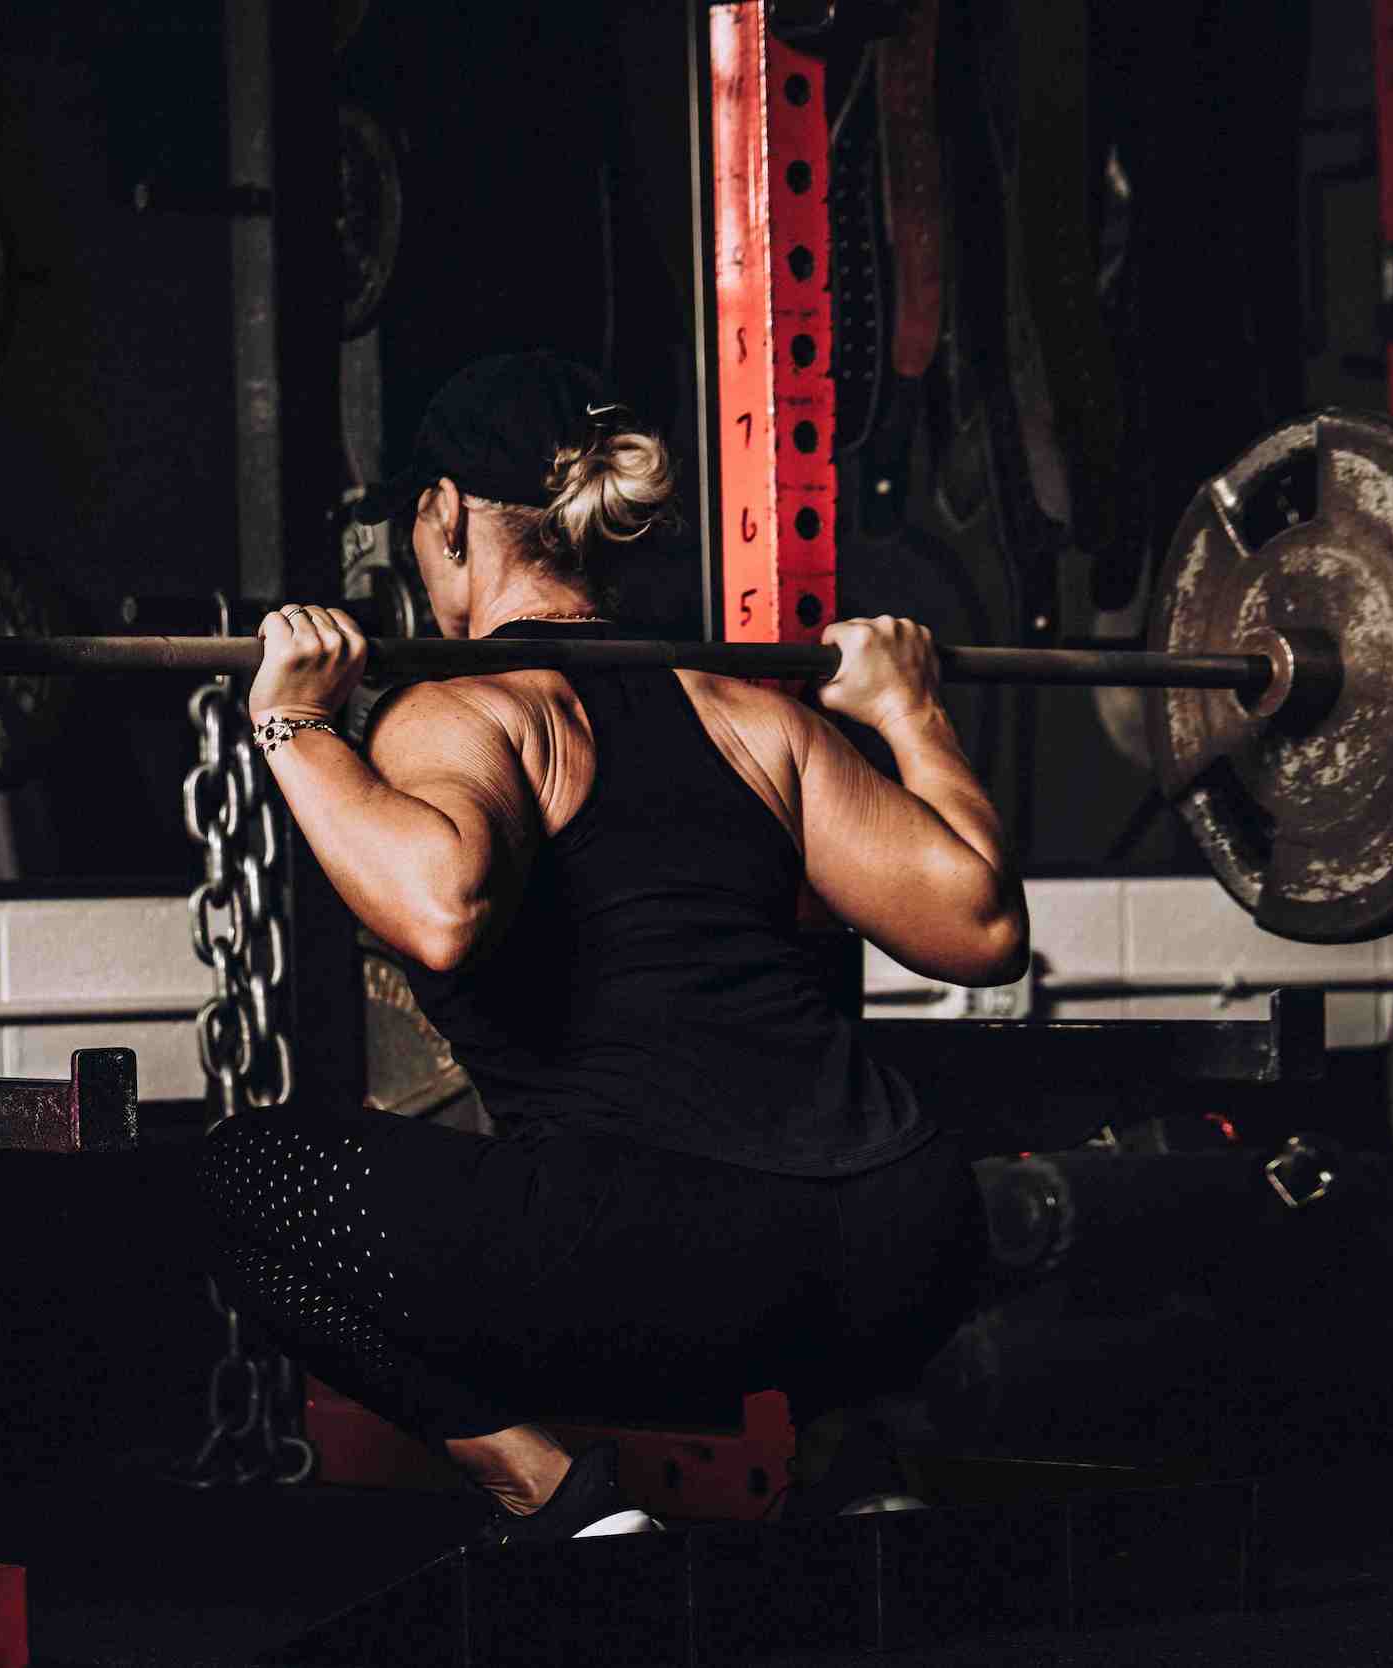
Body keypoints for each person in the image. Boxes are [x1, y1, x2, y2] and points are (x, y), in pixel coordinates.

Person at [196, 351, 1021, 1543]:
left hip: (663, 1271)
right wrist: (908, 709)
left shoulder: (470, 707)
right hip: (909, 1246)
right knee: (750, 1197)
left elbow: (437, 907)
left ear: (440, 519)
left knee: (242, 1183)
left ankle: (557, 1495)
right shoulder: (754, 717)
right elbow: (984, 925)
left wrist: (295, 720)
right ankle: (852, 1450)